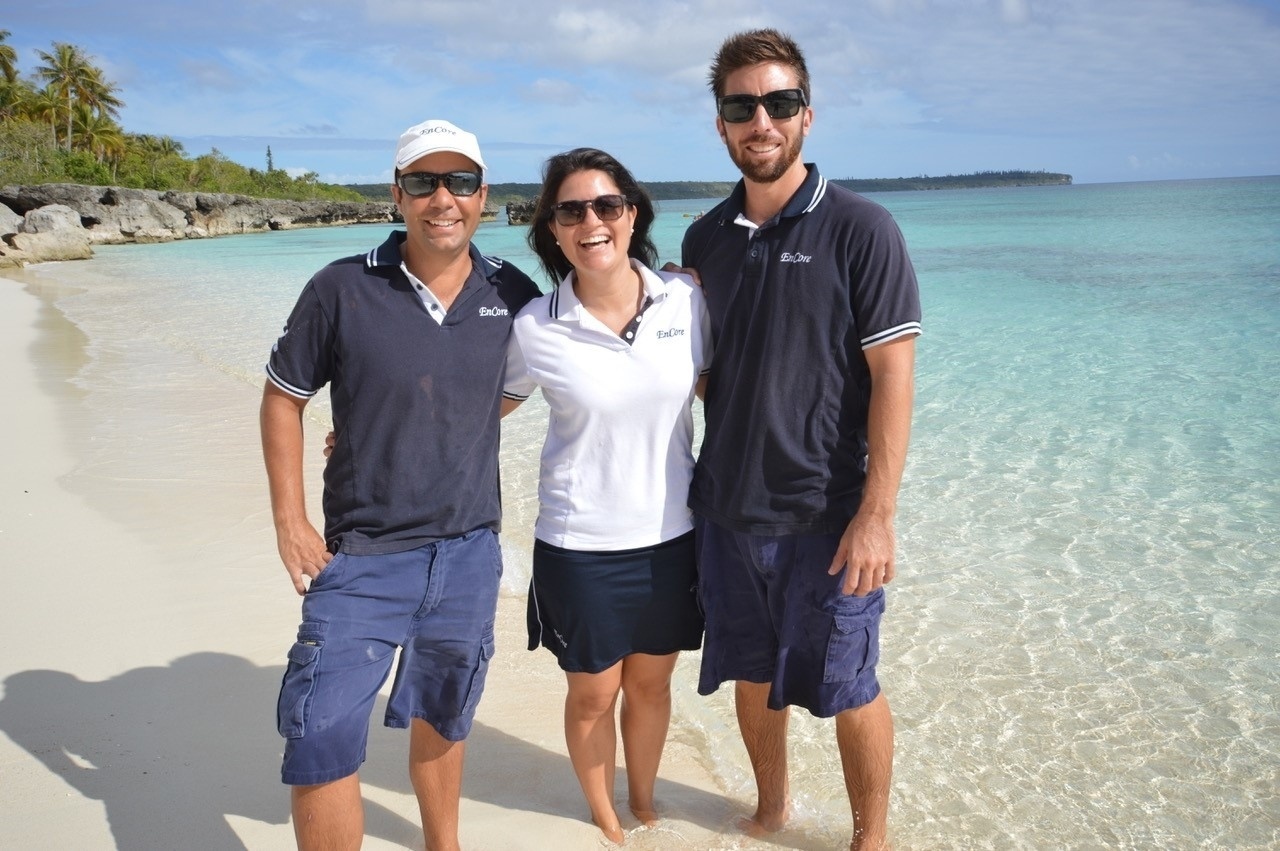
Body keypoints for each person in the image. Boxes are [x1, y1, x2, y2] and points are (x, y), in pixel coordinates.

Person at [260, 119, 541, 851]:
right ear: (397, 195)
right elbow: (282, 395)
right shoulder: (341, 287)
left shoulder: (512, 291)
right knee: (320, 733)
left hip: (470, 552)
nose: (441, 198)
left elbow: (514, 387)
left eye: (459, 182)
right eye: (423, 182)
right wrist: (290, 520)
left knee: (444, 713)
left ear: (484, 197)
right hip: (360, 556)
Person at [679, 29, 922, 851]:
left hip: (828, 511)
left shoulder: (863, 228)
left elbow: (893, 375)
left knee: (850, 682)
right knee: (751, 670)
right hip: (726, 509)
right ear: (720, 125)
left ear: (807, 116)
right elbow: (708, 371)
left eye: (779, 103)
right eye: (741, 106)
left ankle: (870, 839)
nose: (761, 120)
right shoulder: (704, 239)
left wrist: (878, 514)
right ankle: (772, 806)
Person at [501, 147, 710, 843]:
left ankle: (645, 800)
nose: (592, 220)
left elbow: (732, 393)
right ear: (553, 230)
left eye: (606, 205)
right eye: (571, 210)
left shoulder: (684, 300)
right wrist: (371, 430)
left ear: (632, 213)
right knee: (592, 693)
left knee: (652, 688)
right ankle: (604, 812)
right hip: (579, 545)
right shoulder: (535, 326)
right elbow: (479, 407)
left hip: (672, 538)